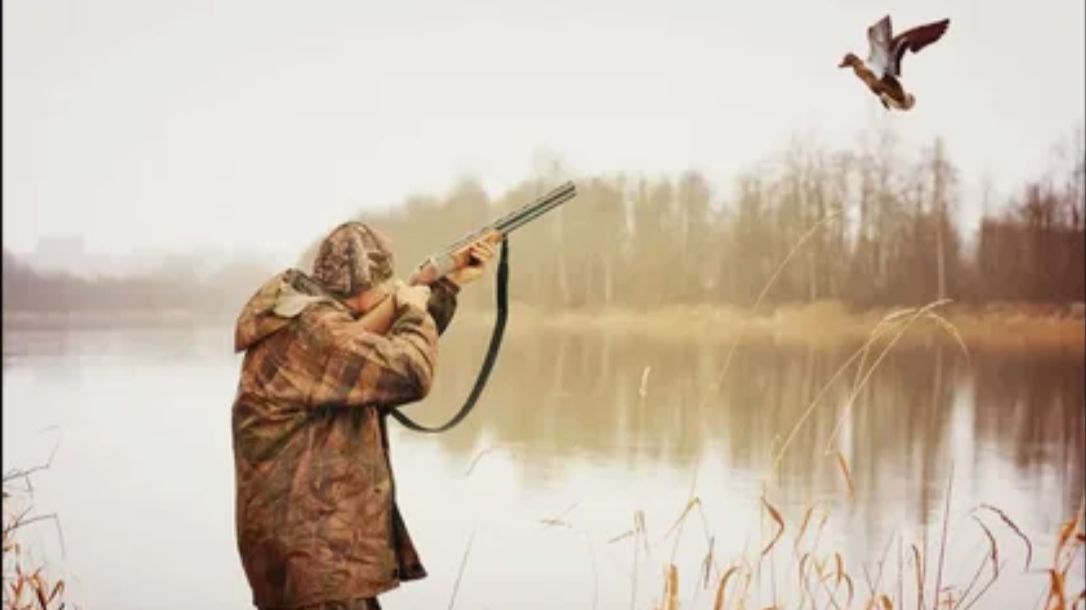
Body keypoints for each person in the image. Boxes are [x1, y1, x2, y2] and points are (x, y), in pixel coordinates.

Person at [230, 221, 496, 610]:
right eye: (385, 287)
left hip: (314, 562)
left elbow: (375, 363)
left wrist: (445, 285)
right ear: (363, 294)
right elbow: (409, 373)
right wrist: (411, 307)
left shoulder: (303, 322)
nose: (390, 293)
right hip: (319, 564)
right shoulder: (315, 331)